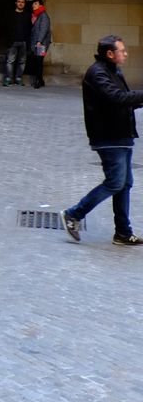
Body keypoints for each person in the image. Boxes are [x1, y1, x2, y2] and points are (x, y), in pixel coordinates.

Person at [61, 36, 143, 246]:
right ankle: (73, 214)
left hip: (122, 135)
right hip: (109, 137)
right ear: (110, 53)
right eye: (122, 50)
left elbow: (122, 101)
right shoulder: (97, 73)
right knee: (115, 182)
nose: (125, 54)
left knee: (124, 184)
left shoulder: (113, 71)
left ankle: (123, 233)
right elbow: (116, 98)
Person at [3, 0, 33, 86]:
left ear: (24, 4)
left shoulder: (28, 15)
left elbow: (30, 28)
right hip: (13, 41)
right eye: (19, 2)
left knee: (22, 61)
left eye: (22, 2)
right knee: (10, 60)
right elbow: (5, 28)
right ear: (16, 3)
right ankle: (8, 79)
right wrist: (8, 40)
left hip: (24, 41)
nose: (20, 3)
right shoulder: (10, 14)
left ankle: (18, 78)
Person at [25, 0, 52, 89]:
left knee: (39, 62)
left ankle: (38, 81)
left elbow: (44, 29)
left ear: (41, 5)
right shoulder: (37, 15)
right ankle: (41, 80)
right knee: (37, 61)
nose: (33, 5)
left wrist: (39, 41)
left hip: (41, 44)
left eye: (36, 4)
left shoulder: (43, 15)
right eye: (33, 4)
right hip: (37, 43)